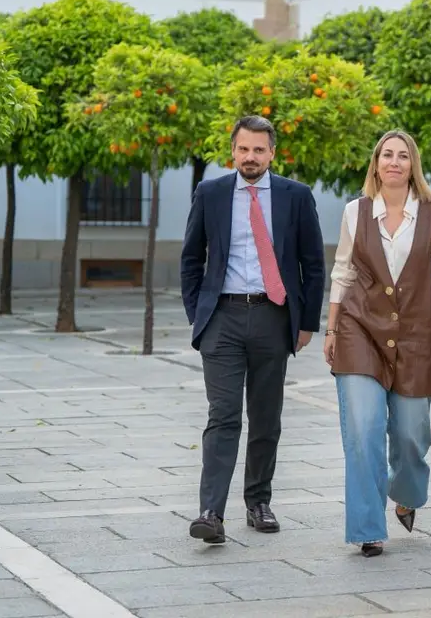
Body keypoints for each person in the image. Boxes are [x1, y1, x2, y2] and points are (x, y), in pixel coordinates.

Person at [180, 114, 325, 544]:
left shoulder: (296, 197)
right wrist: (198, 317)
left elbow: (312, 264)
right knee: (222, 416)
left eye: (258, 150)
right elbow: (191, 260)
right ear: (233, 151)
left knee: (266, 417)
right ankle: (211, 511)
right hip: (221, 319)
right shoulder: (210, 194)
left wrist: (306, 324)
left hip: (273, 317)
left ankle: (258, 501)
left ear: (272, 153)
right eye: (243, 149)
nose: (250, 157)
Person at [324, 129, 431, 557]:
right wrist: (331, 328)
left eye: (403, 156)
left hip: (416, 335)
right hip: (358, 330)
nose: (395, 162)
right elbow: (343, 271)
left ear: (412, 165)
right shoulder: (355, 211)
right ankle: (368, 527)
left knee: (410, 435)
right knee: (363, 432)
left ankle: (407, 493)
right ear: (376, 163)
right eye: (387, 155)